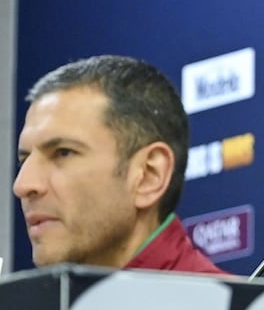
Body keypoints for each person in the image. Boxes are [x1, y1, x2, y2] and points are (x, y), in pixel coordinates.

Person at [14, 54, 227, 275]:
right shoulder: (25, 309)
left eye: (63, 153)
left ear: (148, 175)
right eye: (24, 160)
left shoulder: (233, 309)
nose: (23, 185)